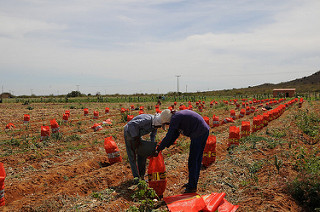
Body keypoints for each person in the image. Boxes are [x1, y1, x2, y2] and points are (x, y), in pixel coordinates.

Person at [152, 109, 210, 193]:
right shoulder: (177, 117)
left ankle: (192, 187)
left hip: (199, 133)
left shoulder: (175, 118)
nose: (168, 125)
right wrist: (165, 146)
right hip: (202, 130)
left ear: (168, 120)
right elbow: (174, 135)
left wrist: (160, 148)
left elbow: (169, 135)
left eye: (167, 124)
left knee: (193, 160)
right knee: (196, 159)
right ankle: (192, 183)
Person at [124, 112, 164, 183]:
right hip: (129, 133)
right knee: (132, 156)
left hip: (137, 135)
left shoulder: (155, 125)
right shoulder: (147, 120)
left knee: (142, 153)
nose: (158, 128)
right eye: (158, 127)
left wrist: (152, 147)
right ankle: (136, 178)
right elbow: (131, 125)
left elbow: (152, 136)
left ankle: (141, 176)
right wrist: (136, 139)